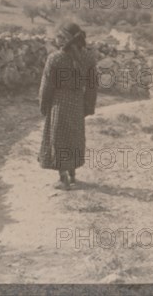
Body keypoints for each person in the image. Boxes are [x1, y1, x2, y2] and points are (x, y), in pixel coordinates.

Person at [38, 21, 98, 189]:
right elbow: (93, 85)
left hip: (59, 102)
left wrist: (43, 104)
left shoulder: (55, 58)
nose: (57, 39)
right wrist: (88, 106)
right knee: (74, 137)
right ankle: (72, 175)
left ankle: (63, 177)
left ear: (66, 38)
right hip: (77, 102)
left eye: (59, 36)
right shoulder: (88, 58)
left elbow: (46, 85)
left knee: (59, 138)